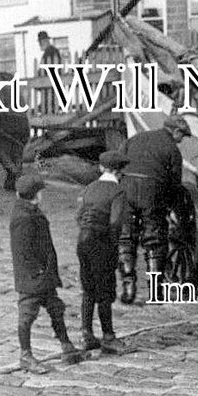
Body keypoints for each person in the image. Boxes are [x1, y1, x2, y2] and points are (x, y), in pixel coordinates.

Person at [10, 174, 82, 374]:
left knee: (56, 308)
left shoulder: (29, 211)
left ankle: (66, 345)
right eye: (41, 192)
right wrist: (38, 272)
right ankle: (26, 355)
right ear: (36, 194)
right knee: (27, 315)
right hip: (33, 278)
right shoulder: (23, 217)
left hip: (44, 276)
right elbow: (23, 250)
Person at [117, 114, 190, 304]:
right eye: (182, 135)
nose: (182, 140)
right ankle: (155, 293)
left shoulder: (135, 138)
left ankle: (128, 287)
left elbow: (117, 164)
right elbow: (175, 184)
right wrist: (172, 209)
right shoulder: (173, 150)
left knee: (126, 237)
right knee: (155, 240)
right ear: (175, 131)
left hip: (127, 188)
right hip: (153, 192)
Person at [75, 150, 129, 354]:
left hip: (83, 241)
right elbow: (115, 222)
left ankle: (86, 334)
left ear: (101, 168)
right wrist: (113, 243)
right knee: (105, 290)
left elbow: (78, 215)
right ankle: (108, 336)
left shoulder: (89, 188)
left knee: (88, 288)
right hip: (102, 242)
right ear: (119, 172)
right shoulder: (118, 192)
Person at [0, 71, 30, 192]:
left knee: (1, 152)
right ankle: (12, 183)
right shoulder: (16, 90)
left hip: (9, 122)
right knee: (16, 154)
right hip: (23, 124)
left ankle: (17, 173)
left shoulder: (1, 88)